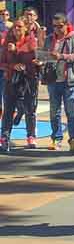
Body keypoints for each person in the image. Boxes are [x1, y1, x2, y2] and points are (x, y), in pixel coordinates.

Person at [41, 12, 74, 152]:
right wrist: (41, 60)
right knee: (54, 111)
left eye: (60, 26)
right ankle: (56, 139)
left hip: (69, 79)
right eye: (54, 26)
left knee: (71, 111)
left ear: (66, 24)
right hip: (53, 79)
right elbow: (45, 55)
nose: (57, 29)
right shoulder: (49, 39)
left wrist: (60, 56)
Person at [0, 17, 40, 151]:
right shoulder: (7, 43)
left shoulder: (31, 42)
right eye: (15, 26)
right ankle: (5, 137)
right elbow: (2, 63)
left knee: (30, 109)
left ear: (25, 28)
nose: (17, 29)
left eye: (20, 26)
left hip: (28, 80)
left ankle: (31, 136)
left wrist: (16, 50)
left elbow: (34, 59)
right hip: (11, 80)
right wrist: (13, 65)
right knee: (8, 110)